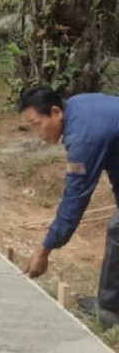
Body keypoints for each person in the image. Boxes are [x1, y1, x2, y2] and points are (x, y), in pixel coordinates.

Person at [18, 86, 119, 329]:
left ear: (55, 112)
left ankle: (108, 310)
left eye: (37, 124)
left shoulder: (83, 137)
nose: (37, 134)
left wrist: (45, 251)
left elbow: (75, 199)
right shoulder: (78, 107)